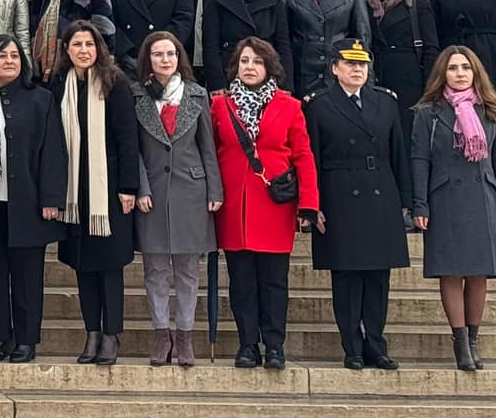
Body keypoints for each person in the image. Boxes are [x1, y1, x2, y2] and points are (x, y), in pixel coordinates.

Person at [210, 36, 318, 370]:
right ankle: (247, 345)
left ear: (268, 66)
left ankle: (274, 345)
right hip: (235, 205)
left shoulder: (290, 105)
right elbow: (210, 153)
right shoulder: (219, 105)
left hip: (275, 203)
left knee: (273, 282)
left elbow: (302, 155)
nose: (250, 67)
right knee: (242, 282)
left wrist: (309, 205)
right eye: (244, 61)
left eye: (257, 61)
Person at [412, 45, 496, 371]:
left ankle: (473, 340)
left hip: (482, 198)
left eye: (465, 68)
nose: (460, 74)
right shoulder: (427, 112)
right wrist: (420, 203)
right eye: (453, 68)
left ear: (476, 73)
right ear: (442, 74)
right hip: (444, 198)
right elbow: (419, 161)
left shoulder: (491, 111)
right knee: (450, 271)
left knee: (477, 274)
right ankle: (459, 342)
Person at [305, 40, 409, 370]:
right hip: (339, 195)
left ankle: (376, 345)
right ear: (334, 68)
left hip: (381, 191)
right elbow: (313, 159)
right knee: (347, 277)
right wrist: (313, 204)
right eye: (349, 63)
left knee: (379, 277)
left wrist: (406, 201)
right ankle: (352, 346)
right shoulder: (319, 105)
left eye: (362, 64)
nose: (357, 69)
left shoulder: (386, 102)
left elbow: (399, 156)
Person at [0, 35, 65, 361]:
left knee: (27, 275)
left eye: (14, 55)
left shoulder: (40, 99)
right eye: (1, 55)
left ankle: (26, 339)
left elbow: (53, 150)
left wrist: (51, 197)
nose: (9, 61)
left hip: (27, 201)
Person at [130, 30, 220, 368]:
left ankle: (184, 334)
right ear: (148, 60)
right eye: (157, 55)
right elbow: (133, 149)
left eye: (169, 54)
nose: (164, 60)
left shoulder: (197, 95)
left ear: (178, 57)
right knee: (154, 268)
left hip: (191, 190)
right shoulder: (137, 94)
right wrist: (140, 187)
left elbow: (207, 147)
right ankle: (161, 333)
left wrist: (215, 190)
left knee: (186, 269)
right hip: (152, 191)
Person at [53, 21, 140, 365]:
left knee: (109, 266)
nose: (84, 50)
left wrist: (129, 187)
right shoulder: (60, 84)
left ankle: (111, 334)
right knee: (83, 266)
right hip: (74, 192)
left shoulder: (115, 83)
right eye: (77, 44)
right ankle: (91, 332)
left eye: (89, 44)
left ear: (99, 48)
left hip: (110, 192)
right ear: (67, 50)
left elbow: (127, 139)